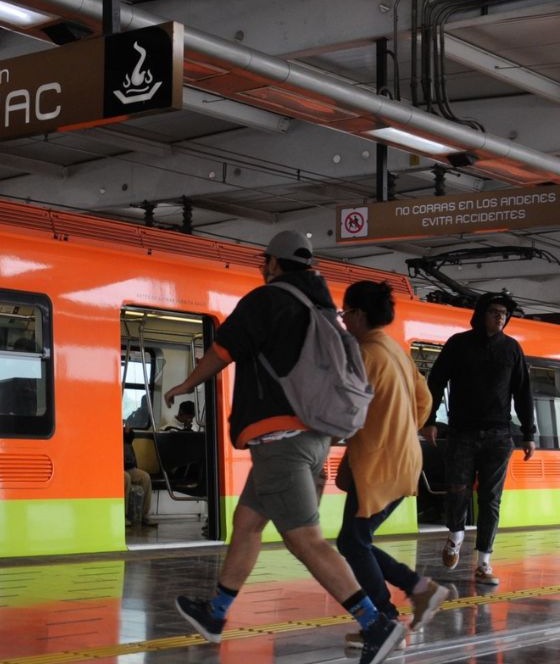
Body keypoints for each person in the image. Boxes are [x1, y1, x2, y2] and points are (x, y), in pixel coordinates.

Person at [163, 231, 405, 664]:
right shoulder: (324, 310)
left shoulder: (267, 300)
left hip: (281, 443)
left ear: (273, 263)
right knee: (248, 523)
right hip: (311, 437)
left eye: (264, 261)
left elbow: (223, 349)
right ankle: (215, 613)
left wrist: (186, 383)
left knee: (306, 541)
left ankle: (376, 623)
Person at [336, 281, 450, 647]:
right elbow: (425, 398)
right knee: (356, 540)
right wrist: (402, 430)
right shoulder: (395, 350)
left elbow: (346, 411)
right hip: (404, 459)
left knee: (354, 542)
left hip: (377, 464)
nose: (344, 321)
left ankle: (386, 619)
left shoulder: (365, 353)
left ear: (357, 314)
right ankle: (418, 591)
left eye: (345, 314)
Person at [424, 291, 535, 585]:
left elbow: (523, 392)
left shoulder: (512, 349)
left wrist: (528, 433)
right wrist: (430, 420)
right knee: (457, 489)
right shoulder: (458, 344)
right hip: (462, 432)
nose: (500, 317)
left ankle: (484, 563)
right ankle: (455, 537)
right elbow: (435, 382)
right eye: (494, 311)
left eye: (504, 313)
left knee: (490, 499)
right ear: (481, 314)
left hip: (499, 434)